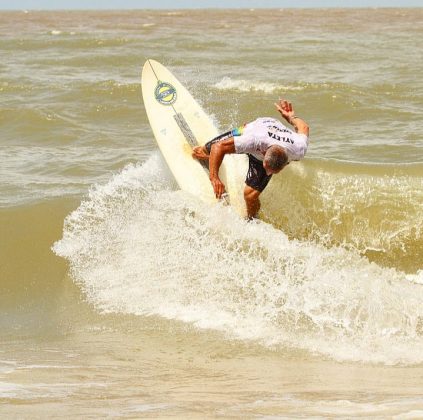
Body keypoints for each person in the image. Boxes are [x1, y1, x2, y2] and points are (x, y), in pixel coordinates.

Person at [192, 99, 310, 219]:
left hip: (270, 141)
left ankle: (251, 220)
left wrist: (291, 117)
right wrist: (214, 178)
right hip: (254, 129)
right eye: (267, 168)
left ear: (286, 163)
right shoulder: (253, 139)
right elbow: (218, 146)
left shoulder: (298, 149)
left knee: (250, 195)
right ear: (264, 153)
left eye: (272, 172)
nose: (268, 173)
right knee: (207, 150)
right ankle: (217, 156)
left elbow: (304, 127)